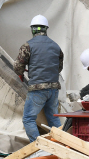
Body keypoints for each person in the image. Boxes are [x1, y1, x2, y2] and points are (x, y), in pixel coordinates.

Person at [13, 15, 63, 143]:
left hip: (37, 89)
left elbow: (18, 67)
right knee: (53, 118)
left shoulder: (28, 45)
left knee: (28, 118)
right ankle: (63, 143)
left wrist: (21, 74)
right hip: (53, 88)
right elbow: (59, 67)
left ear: (32, 29)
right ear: (46, 29)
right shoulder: (56, 46)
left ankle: (38, 146)